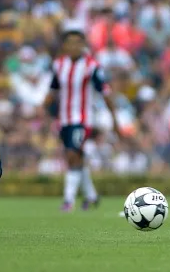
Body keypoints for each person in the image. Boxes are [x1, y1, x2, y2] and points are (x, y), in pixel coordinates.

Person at [43, 29, 119, 212]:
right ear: (64, 46)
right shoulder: (59, 65)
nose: (74, 46)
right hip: (64, 119)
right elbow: (52, 91)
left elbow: (105, 92)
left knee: (72, 155)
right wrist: (43, 109)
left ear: (84, 45)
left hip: (83, 119)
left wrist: (114, 118)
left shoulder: (91, 66)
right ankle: (92, 196)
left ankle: (68, 200)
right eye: (70, 43)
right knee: (77, 158)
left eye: (78, 43)